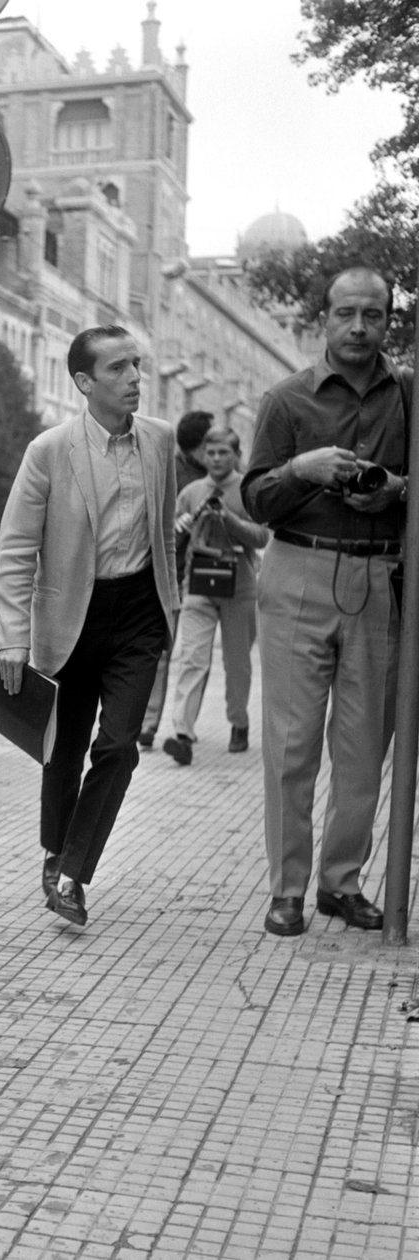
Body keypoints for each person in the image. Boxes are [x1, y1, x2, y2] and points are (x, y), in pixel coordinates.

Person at [242, 265, 409, 938]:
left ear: (388, 321)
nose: (360, 327)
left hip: (380, 579)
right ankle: (287, 889)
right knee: (290, 745)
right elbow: (254, 497)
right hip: (297, 569)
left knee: (365, 746)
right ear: (326, 319)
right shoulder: (287, 401)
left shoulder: (411, 398)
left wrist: (396, 489)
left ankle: (342, 884)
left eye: (373, 315)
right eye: (347, 314)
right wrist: (299, 469)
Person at [0, 326, 179, 928]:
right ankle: (55, 856)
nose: (134, 379)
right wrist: (15, 636)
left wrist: (169, 612)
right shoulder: (49, 450)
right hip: (71, 615)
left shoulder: (160, 442)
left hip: (139, 615)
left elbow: (165, 537)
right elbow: (18, 548)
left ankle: (72, 869)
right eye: (119, 369)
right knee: (64, 752)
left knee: (119, 746)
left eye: (136, 367)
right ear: (83, 382)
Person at [161, 426, 269, 765]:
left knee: (237, 664)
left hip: (240, 587)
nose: (217, 458)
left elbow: (262, 537)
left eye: (224, 452)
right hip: (199, 584)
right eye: (212, 453)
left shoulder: (248, 491)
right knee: (192, 658)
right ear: (203, 455)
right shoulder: (192, 491)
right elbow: (170, 536)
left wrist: (228, 518)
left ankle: (238, 722)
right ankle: (182, 732)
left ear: (236, 454)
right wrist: (183, 527)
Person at [139, 409, 212, 748]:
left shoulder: (220, 475)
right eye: (210, 443)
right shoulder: (170, 472)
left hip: (205, 578)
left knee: (196, 654)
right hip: (168, 573)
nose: (216, 451)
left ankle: (184, 724)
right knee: (161, 652)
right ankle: (148, 725)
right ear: (196, 446)